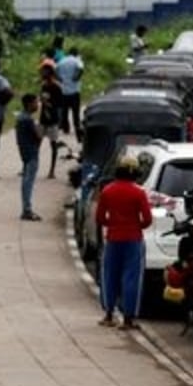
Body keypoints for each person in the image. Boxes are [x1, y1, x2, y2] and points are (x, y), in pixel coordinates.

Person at [94, 155, 152, 329]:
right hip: (133, 239)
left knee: (109, 275)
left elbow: (99, 217)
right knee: (131, 278)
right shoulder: (139, 192)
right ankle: (128, 318)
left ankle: (109, 314)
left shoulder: (107, 191)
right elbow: (147, 219)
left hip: (113, 239)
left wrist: (112, 224)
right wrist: (136, 226)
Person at [15, 93, 43, 222]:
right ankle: (27, 209)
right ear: (29, 104)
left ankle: (26, 208)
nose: (38, 105)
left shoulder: (21, 117)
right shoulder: (28, 119)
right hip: (31, 153)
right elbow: (38, 136)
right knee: (28, 182)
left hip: (25, 152)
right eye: (36, 102)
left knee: (26, 181)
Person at [38, 66, 67, 178]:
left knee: (53, 144)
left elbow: (60, 105)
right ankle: (31, 166)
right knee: (37, 143)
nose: (43, 75)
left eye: (44, 73)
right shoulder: (44, 86)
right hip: (43, 118)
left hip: (53, 119)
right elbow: (41, 98)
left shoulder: (56, 87)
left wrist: (59, 121)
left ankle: (52, 170)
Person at [55, 48, 85, 137]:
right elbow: (81, 68)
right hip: (74, 90)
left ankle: (66, 128)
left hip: (63, 90)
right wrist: (76, 77)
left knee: (65, 111)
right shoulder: (76, 60)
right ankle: (77, 127)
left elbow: (55, 69)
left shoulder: (62, 61)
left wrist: (59, 78)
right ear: (76, 53)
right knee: (75, 111)